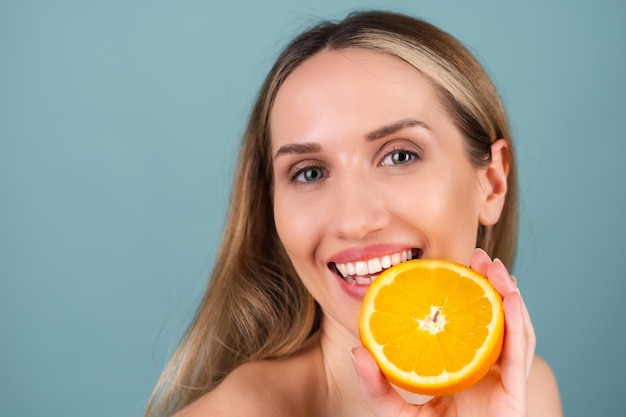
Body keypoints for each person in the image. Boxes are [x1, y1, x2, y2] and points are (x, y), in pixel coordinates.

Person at [145, 10, 562, 417]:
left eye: (400, 155)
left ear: (491, 183)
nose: (354, 221)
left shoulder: (524, 391)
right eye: (309, 172)